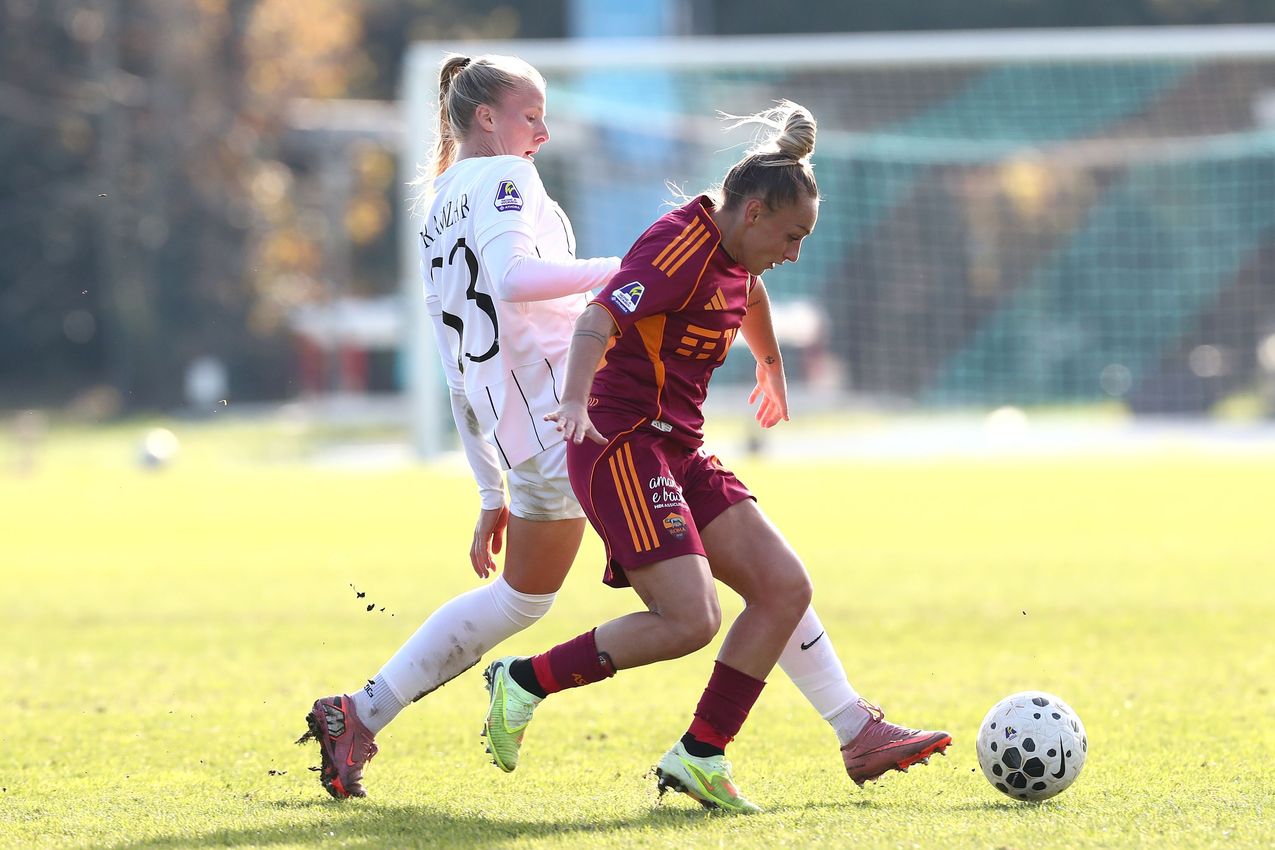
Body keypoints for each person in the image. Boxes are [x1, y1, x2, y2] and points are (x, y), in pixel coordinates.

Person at [298, 54, 946, 804]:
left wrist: (486, 482)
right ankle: (828, 726)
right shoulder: (504, 178)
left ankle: (361, 712)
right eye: (530, 114)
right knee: (702, 600)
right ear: (485, 118)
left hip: (521, 422)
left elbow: (453, 354)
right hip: (577, 406)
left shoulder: (437, 203)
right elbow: (519, 283)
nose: (541, 129)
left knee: (534, 597)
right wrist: (636, 270)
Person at [480, 101, 950, 813]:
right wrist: (574, 403)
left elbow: (748, 291)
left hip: (675, 448)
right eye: (792, 235)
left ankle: (701, 754)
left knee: (784, 586)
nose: (795, 252)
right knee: (689, 620)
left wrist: (770, 365)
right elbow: (598, 316)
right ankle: (524, 680)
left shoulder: (737, 247)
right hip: (621, 445)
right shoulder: (677, 246)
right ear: (754, 212)